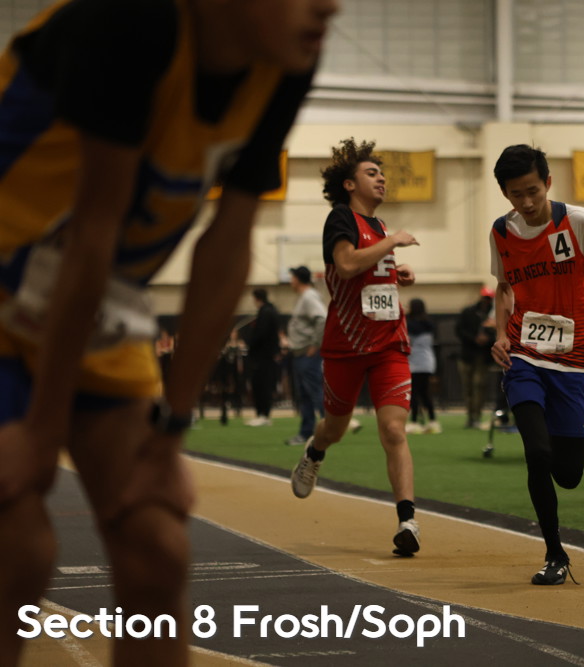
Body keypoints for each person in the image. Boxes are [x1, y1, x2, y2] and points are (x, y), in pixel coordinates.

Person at [0, 1, 340, 665]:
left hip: (92, 304)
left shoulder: (286, 56)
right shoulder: (132, 20)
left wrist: (171, 431)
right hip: (25, 291)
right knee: (18, 547)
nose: (331, 5)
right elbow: (93, 231)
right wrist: (41, 429)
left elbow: (226, 245)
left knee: (156, 547)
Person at [489, 144, 584, 585]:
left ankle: (554, 437)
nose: (527, 202)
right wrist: (501, 334)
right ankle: (555, 553)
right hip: (524, 356)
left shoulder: (578, 221)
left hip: (573, 361)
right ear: (505, 193)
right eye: (516, 194)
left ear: (548, 183)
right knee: (536, 453)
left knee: (568, 475)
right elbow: (504, 288)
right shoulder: (501, 231)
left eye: (533, 190)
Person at [290, 137, 422, 557]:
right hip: (346, 345)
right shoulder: (341, 219)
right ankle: (315, 452)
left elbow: (370, 273)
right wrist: (392, 244)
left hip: (389, 345)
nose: (381, 178)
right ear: (349, 184)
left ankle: (407, 521)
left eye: (382, 173)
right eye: (371, 173)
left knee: (394, 429)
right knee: (335, 429)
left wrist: (397, 273)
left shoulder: (380, 228)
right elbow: (346, 265)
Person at [286, 266, 326, 445]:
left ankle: (332, 428)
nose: (290, 281)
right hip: (301, 353)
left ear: (297, 279)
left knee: (314, 392)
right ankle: (306, 433)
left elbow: (322, 319)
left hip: (307, 354)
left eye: (292, 277)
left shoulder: (309, 296)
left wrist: (315, 344)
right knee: (306, 395)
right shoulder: (305, 296)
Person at [456, 287, 496, 429]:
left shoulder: (493, 314)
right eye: (485, 297)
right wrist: (474, 339)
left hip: (483, 357)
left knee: (479, 386)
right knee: (467, 387)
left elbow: (498, 332)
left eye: (489, 298)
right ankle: (470, 416)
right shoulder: (468, 312)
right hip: (467, 355)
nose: (486, 300)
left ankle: (477, 416)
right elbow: (459, 330)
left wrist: (488, 339)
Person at [245, 288, 280, 426]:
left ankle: (263, 414)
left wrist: (251, 345)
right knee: (263, 384)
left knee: (261, 385)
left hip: (262, 356)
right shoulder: (271, 310)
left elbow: (260, 334)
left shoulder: (265, 312)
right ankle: (262, 414)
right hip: (267, 355)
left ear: (256, 298)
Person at [406, 298, 441, 434]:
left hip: (414, 362)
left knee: (414, 393)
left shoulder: (409, 324)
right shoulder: (429, 323)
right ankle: (433, 421)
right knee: (425, 393)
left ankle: (414, 422)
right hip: (427, 362)